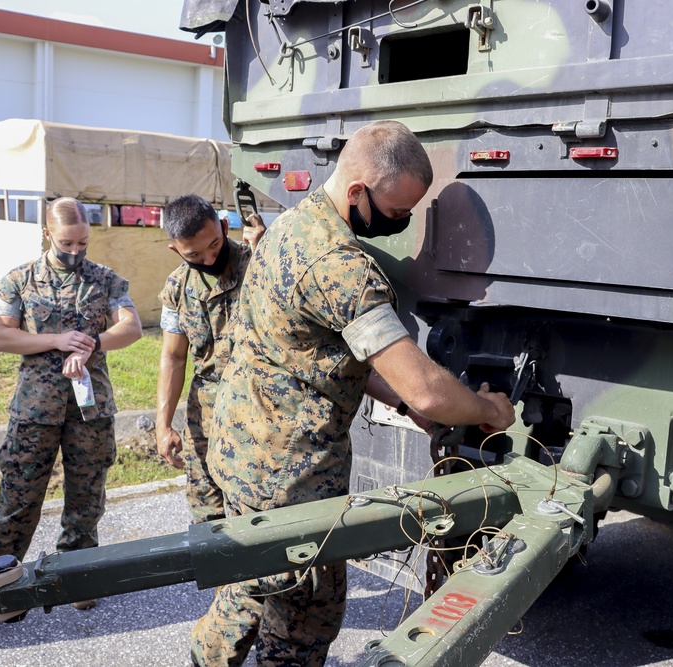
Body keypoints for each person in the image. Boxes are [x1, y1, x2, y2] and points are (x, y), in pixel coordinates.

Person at [190, 120, 516, 666]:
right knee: (301, 619)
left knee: (245, 590)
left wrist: (399, 401)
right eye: (394, 214)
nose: (402, 224)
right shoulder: (338, 265)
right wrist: (488, 408)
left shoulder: (291, 227)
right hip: (289, 479)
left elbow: (326, 354)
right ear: (359, 192)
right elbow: (430, 390)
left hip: (244, 451)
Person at [0, 197, 142, 611]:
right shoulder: (20, 280)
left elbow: (132, 327)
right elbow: (2, 338)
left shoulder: (105, 280)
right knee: (19, 495)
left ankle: (77, 578)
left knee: (86, 498)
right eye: (67, 243)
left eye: (82, 243)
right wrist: (56, 340)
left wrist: (93, 343)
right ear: (47, 234)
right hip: (35, 410)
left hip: (90, 409)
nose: (75, 251)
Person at [156, 194, 264, 524]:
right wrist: (163, 424)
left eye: (215, 244)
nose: (209, 257)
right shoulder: (177, 285)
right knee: (209, 524)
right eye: (195, 254)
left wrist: (264, 253)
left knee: (256, 522)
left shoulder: (258, 264)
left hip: (258, 421)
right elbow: (173, 357)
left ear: (225, 225)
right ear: (175, 249)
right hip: (205, 424)